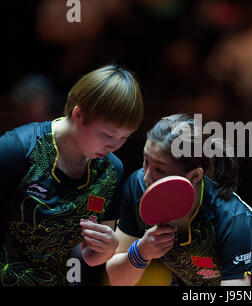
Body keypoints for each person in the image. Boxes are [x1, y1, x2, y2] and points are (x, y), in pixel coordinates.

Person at [0, 64, 144, 285]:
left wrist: (107, 248)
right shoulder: (16, 148)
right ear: (78, 114)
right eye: (107, 134)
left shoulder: (112, 171)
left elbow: (91, 257)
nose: (114, 146)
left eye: (124, 137)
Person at [106, 113, 252, 286]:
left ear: (195, 175)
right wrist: (141, 252)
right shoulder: (138, 189)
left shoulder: (233, 219)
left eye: (160, 170)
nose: (146, 177)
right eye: (145, 161)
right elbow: (118, 280)